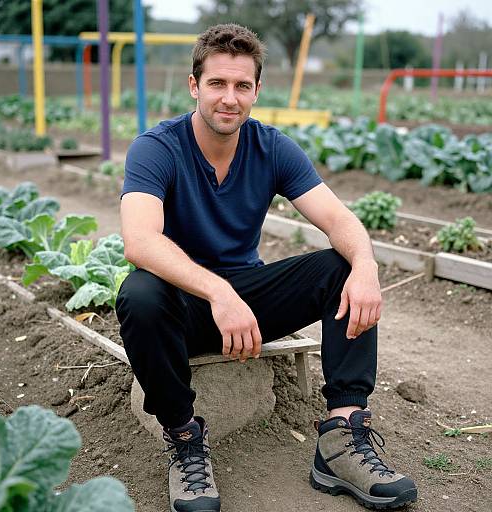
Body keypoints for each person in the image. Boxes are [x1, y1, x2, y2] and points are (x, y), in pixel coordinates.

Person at [116, 23, 417, 512]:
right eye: (217, 83)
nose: (229, 98)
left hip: (248, 307)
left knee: (340, 268)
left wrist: (365, 265)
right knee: (139, 294)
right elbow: (140, 240)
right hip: (185, 307)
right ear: (195, 86)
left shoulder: (271, 147)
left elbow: (338, 218)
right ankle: (185, 441)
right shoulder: (157, 147)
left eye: (241, 85)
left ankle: (341, 439)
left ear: (257, 90)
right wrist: (219, 294)